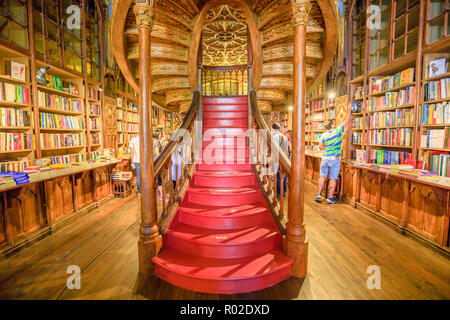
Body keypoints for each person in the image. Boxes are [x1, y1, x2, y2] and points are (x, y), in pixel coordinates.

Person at [315, 115, 350, 204]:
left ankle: (318, 195)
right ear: (332, 125)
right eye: (334, 123)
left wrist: (328, 147)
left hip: (325, 158)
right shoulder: (337, 131)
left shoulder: (324, 135)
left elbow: (321, 147)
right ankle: (330, 197)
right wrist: (349, 108)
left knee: (322, 176)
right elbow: (347, 119)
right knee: (333, 178)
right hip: (334, 159)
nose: (335, 124)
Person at [272, 123, 288, 198]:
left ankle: (278, 193)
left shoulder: (274, 137)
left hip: (277, 159)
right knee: (283, 176)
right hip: (284, 159)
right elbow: (287, 151)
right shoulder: (284, 137)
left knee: (278, 176)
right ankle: (284, 191)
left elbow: (273, 150)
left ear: (273, 129)